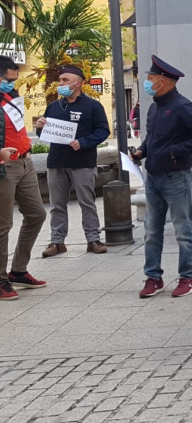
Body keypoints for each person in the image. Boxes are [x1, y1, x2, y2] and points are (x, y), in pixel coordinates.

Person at [130, 56, 192, 299]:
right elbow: (153, 138)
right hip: (153, 177)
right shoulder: (155, 106)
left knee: (182, 230)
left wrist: (174, 151)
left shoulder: (182, 106)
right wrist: (141, 152)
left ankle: (188, 277)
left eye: (149, 79)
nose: (146, 83)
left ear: (163, 81)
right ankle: (153, 277)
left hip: (176, 177)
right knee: (152, 231)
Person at [35, 65, 110, 258]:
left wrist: (84, 142)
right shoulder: (54, 106)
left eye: (65, 80)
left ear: (78, 83)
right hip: (57, 162)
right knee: (57, 205)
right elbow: (45, 133)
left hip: (82, 162)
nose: (60, 84)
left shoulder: (93, 106)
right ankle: (57, 241)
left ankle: (93, 239)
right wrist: (39, 127)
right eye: (60, 81)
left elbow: (103, 130)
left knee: (87, 202)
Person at [0, 55, 49, 301]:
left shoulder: (10, 98)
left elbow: (17, 127)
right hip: (3, 166)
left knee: (37, 214)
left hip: (24, 161)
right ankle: (0, 280)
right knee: (3, 225)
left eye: (13, 80)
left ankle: (18, 271)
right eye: (7, 80)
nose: (11, 84)